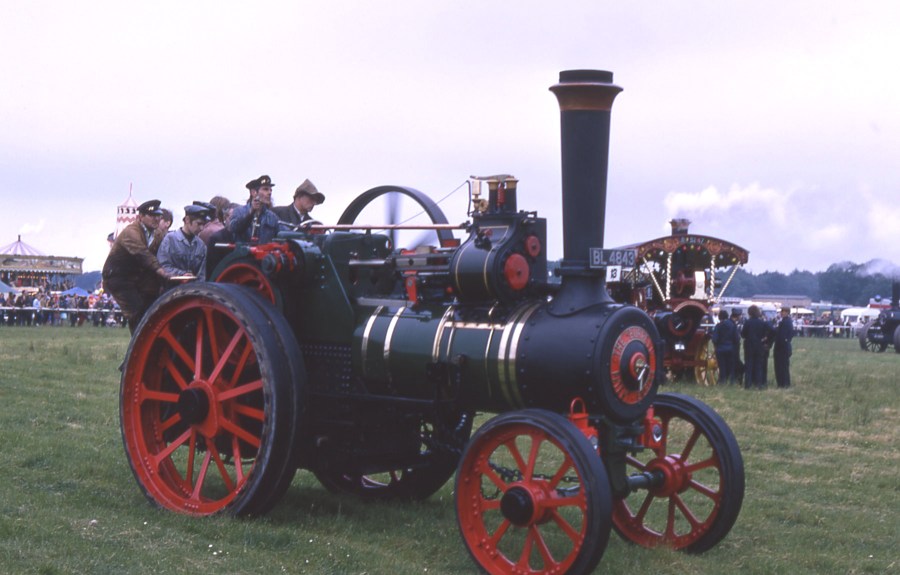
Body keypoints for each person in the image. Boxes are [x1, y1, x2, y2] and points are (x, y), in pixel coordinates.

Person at [102, 199, 172, 333]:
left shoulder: (156, 234)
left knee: (150, 305)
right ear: (140, 217)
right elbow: (142, 253)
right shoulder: (131, 232)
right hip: (118, 276)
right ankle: (138, 343)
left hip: (136, 276)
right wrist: (161, 271)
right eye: (152, 216)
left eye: (158, 216)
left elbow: (162, 250)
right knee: (136, 309)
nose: (156, 219)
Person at [158, 204, 212, 282]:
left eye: (203, 224)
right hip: (171, 288)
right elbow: (163, 266)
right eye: (199, 224)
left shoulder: (201, 245)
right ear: (187, 220)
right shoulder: (170, 240)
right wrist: (181, 275)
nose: (201, 228)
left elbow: (202, 274)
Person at [229, 175, 280, 243]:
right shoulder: (239, 211)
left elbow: (282, 233)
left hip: (264, 253)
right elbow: (233, 228)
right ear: (253, 192)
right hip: (243, 252)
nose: (269, 193)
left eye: (270, 190)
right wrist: (251, 213)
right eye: (265, 189)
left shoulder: (272, 217)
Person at [740, 304, 769, 390]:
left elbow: (743, 334)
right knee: (758, 365)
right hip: (759, 346)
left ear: (750, 313)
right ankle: (758, 384)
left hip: (749, 345)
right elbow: (764, 334)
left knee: (749, 365)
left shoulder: (747, 322)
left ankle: (748, 384)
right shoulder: (762, 322)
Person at [711, 309, 739, 385]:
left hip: (720, 349)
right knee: (731, 366)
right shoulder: (733, 325)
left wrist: (716, 346)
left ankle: (722, 381)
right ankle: (731, 381)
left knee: (722, 366)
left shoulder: (718, 326)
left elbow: (714, 339)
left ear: (719, 317)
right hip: (730, 348)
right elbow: (736, 338)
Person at [773, 306, 794, 388]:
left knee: (781, 366)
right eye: (781, 311)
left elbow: (781, 336)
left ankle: (782, 383)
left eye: (783, 311)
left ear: (787, 312)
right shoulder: (786, 321)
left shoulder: (785, 322)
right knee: (783, 366)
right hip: (784, 347)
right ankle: (784, 383)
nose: (781, 313)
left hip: (782, 348)